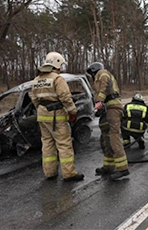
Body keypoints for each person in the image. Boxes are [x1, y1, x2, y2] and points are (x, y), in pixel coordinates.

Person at [30, 52, 84, 181]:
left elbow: (33, 97)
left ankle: (50, 172)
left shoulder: (37, 79)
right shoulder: (57, 79)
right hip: (56, 115)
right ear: (57, 63)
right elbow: (65, 97)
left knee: (47, 144)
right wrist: (73, 112)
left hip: (42, 115)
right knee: (64, 144)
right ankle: (69, 173)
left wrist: (41, 109)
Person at [86, 62, 129, 180]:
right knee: (106, 137)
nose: (92, 76)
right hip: (108, 108)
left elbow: (105, 85)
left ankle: (122, 168)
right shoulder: (99, 76)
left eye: (92, 74)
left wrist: (99, 100)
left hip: (112, 108)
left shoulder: (102, 73)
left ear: (95, 71)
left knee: (113, 137)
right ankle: (108, 166)